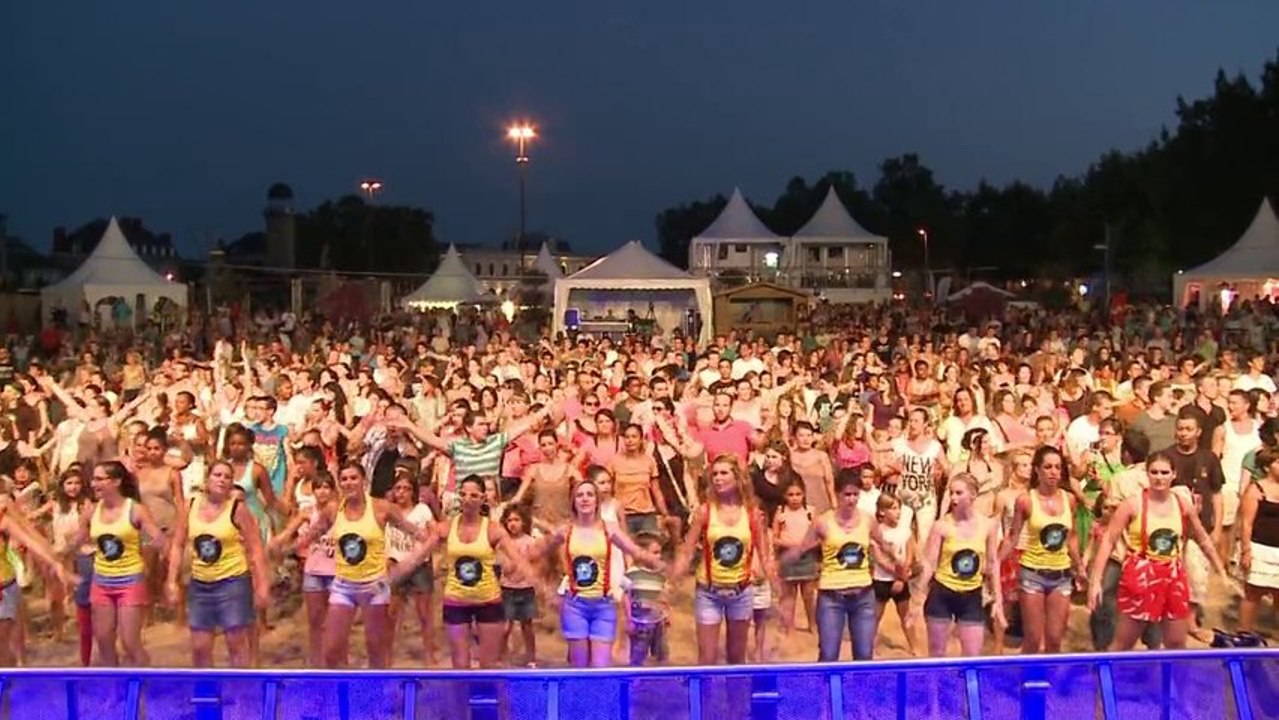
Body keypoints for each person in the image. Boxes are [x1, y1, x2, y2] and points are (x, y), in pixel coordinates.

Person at [296, 462, 435, 668]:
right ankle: (343, 693)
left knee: (375, 649)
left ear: (363, 481)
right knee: (331, 649)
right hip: (344, 585)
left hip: (374, 586)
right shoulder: (333, 510)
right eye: (344, 479)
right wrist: (281, 547)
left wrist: (415, 557)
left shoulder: (381, 508)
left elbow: (419, 534)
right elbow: (308, 537)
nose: (349, 483)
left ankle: (378, 695)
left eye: (354, 478)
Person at [1087, 451, 1230, 650]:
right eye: (1154, 472)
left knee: (1177, 643)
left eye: (1164, 472)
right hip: (1140, 576)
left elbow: (1202, 537)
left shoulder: (1182, 503)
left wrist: (1221, 570)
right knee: (1123, 643)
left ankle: (1169, 680)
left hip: (1173, 576)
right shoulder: (1133, 504)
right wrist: (1095, 581)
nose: (1159, 477)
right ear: (1147, 474)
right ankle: (1109, 679)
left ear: (1173, 474)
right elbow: (1108, 540)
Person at [394, 474, 537, 669]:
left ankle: (490, 696)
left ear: (483, 499)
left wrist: (542, 585)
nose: (468, 499)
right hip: (456, 600)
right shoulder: (446, 528)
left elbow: (519, 560)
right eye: (463, 494)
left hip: (488, 600)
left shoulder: (494, 529)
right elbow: (417, 556)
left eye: (473, 495)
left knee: (488, 665)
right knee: (460, 665)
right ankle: (460, 699)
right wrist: (391, 577)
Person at [539, 477, 662, 667]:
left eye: (589, 494)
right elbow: (539, 552)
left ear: (597, 500)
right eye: (580, 495)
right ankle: (580, 697)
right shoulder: (566, 530)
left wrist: (656, 562)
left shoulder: (609, 528)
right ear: (573, 501)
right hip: (575, 605)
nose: (585, 499)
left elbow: (634, 550)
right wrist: (544, 587)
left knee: (600, 666)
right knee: (579, 667)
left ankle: (600, 697)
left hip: (603, 605)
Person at [781, 468, 897, 661]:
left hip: (863, 595)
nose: (851, 499)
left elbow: (883, 545)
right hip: (831, 596)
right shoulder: (823, 522)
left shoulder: (868, 520)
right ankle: (826, 691)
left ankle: (859, 691)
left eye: (855, 494)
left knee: (864, 655)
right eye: (847, 494)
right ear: (837, 494)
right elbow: (804, 548)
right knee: (828, 654)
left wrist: (899, 562)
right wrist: (782, 562)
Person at [672, 454, 776, 665]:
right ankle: (707, 698)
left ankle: (737, 698)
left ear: (737, 478)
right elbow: (688, 548)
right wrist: (676, 571)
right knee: (707, 659)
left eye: (724, 473)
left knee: (737, 658)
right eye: (715, 474)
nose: (718, 478)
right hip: (709, 591)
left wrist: (774, 582)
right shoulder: (705, 512)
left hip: (742, 591)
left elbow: (764, 553)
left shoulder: (753, 514)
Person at [165, 460, 269, 667]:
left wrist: (262, 585)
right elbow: (177, 544)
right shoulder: (191, 506)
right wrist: (171, 580)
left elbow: (255, 548)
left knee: (236, 643)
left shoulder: (238, 509)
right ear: (207, 478)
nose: (222, 480)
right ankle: (207, 694)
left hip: (233, 582)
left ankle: (241, 696)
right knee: (200, 646)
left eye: (227, 477)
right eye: (217, 475)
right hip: (200, 583)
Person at [75, 460, 168, 666]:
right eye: (93, 479)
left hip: (130, 581)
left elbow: (160, 540)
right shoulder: (91, 511)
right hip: (101, 581)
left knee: (130, 642)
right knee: (104, 640)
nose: (94, 484)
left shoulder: (135, 509)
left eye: (99, 479)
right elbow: (78, 540)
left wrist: (152, 551)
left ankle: (142, 688)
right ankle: (114, 691)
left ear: (116, 481)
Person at [1002, 445, 1083, 654]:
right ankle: (1026, 681)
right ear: (1037, 470)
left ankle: (1051, 682)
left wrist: (1080, 567)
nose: (1054, 472)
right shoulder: (1026, 500)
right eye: (1048, 467)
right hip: (1032, 572)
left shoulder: (1070, 499)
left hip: (1062, 573)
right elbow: (1013, 537)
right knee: (1033, 639)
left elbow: (1071, 537)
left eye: (1058, 467)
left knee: (1055, 639)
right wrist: (994, 565)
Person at [918, 473, 1005, 657]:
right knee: (937, 653)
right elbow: (930, 563)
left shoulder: (988, 525)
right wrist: (917, 599)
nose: (954, 498)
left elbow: (992, 563)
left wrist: (998, 600)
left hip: (972, 594)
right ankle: (935, 686)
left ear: (973, 495)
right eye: (951, 493)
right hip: (943, 592)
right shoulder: (941, 526)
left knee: (973, 655)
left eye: (959, 493)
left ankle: (967, 686)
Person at [270, 471, 337, 667]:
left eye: (326, 487)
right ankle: (316, 660)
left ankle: (333, 659)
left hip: (337, 571)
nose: (322, 492)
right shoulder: (308, 513)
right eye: (318, 487)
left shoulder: (341, 513)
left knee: (335, 620)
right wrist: (276, 544)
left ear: (333, 490)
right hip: (314, 570)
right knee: (315, 620)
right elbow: (287, 532)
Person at [1237, 447, 1279, 633]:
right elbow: (1246, 523)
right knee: (1253, 593)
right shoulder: (1256, 489)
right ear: (1268, 466)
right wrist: (1246, 550)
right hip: (1260, 548)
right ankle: (1244, 634)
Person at [872, 493, 919, 657]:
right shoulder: (877, 531)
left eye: (899, 508)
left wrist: (902, 577)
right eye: (893, 508)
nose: (898, 512)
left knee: (905, 615)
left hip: (901, 579)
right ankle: (870, 647)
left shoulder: (904, 531)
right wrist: (900, 574)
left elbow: (910, 554)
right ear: (882, 511)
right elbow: (879, 559)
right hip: (881, 580)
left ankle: (914, 647)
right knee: (875, 616)